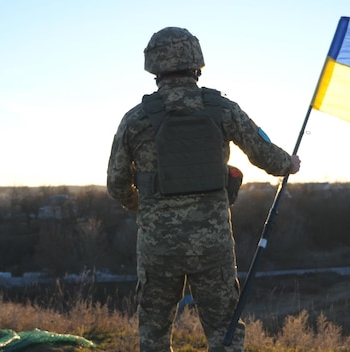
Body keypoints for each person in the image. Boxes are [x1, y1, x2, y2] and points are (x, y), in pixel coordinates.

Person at [106, 27, 300, 352]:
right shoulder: (220, 108)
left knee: (153, 333)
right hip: (212, 245)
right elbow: (263, 152)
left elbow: (116, 184)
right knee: (224, 331)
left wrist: (145, 208)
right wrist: (288, 164)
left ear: (153, 67)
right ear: (196, 62)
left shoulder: (135, 119)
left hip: (158, 246)